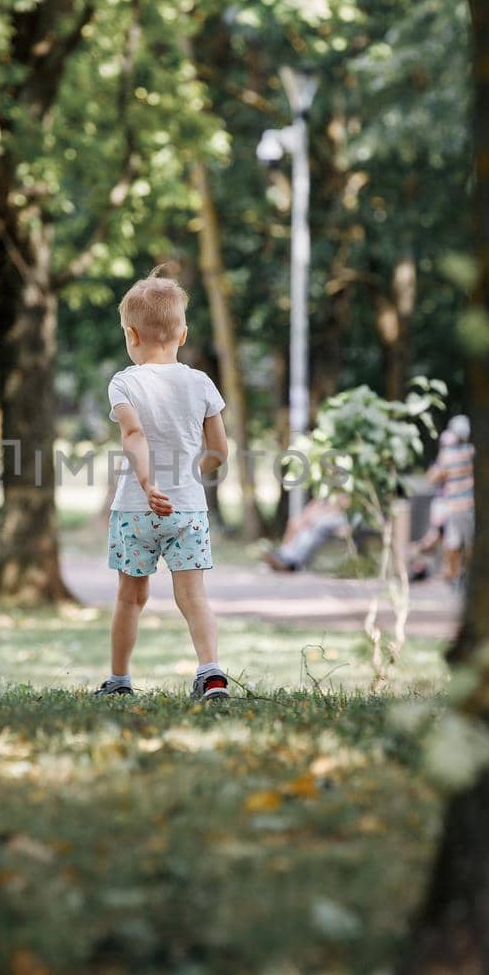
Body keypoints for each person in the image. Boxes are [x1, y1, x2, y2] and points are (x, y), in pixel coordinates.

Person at [96, 268, 231, 702]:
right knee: (193, 597)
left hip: (136, 509)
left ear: (131, 335)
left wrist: (148, 482)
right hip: (187, 509)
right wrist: (190, 474)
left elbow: (133, 435)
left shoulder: (125, 381)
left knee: (130, 598)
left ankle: (119, 680)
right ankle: (210, 673)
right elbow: (219, 450)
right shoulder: (201, 383)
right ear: (183, 335)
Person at [426, 414, 475, 587]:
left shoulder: (449, 455)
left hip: (455, 506)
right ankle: (465, 576)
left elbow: (432, 478)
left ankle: (454, 576)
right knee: (469, 543)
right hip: (469, 505)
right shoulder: (472, 452)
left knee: (453, 543)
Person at [262, 494, 352, 573]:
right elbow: (304, 519)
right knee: (298, 534)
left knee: (304, 545)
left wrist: (337, 532)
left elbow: (344, 532)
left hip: (314, 540)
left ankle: (288, 563)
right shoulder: (323, 510)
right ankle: (283, 558)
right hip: (305, 534)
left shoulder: (339, 518)